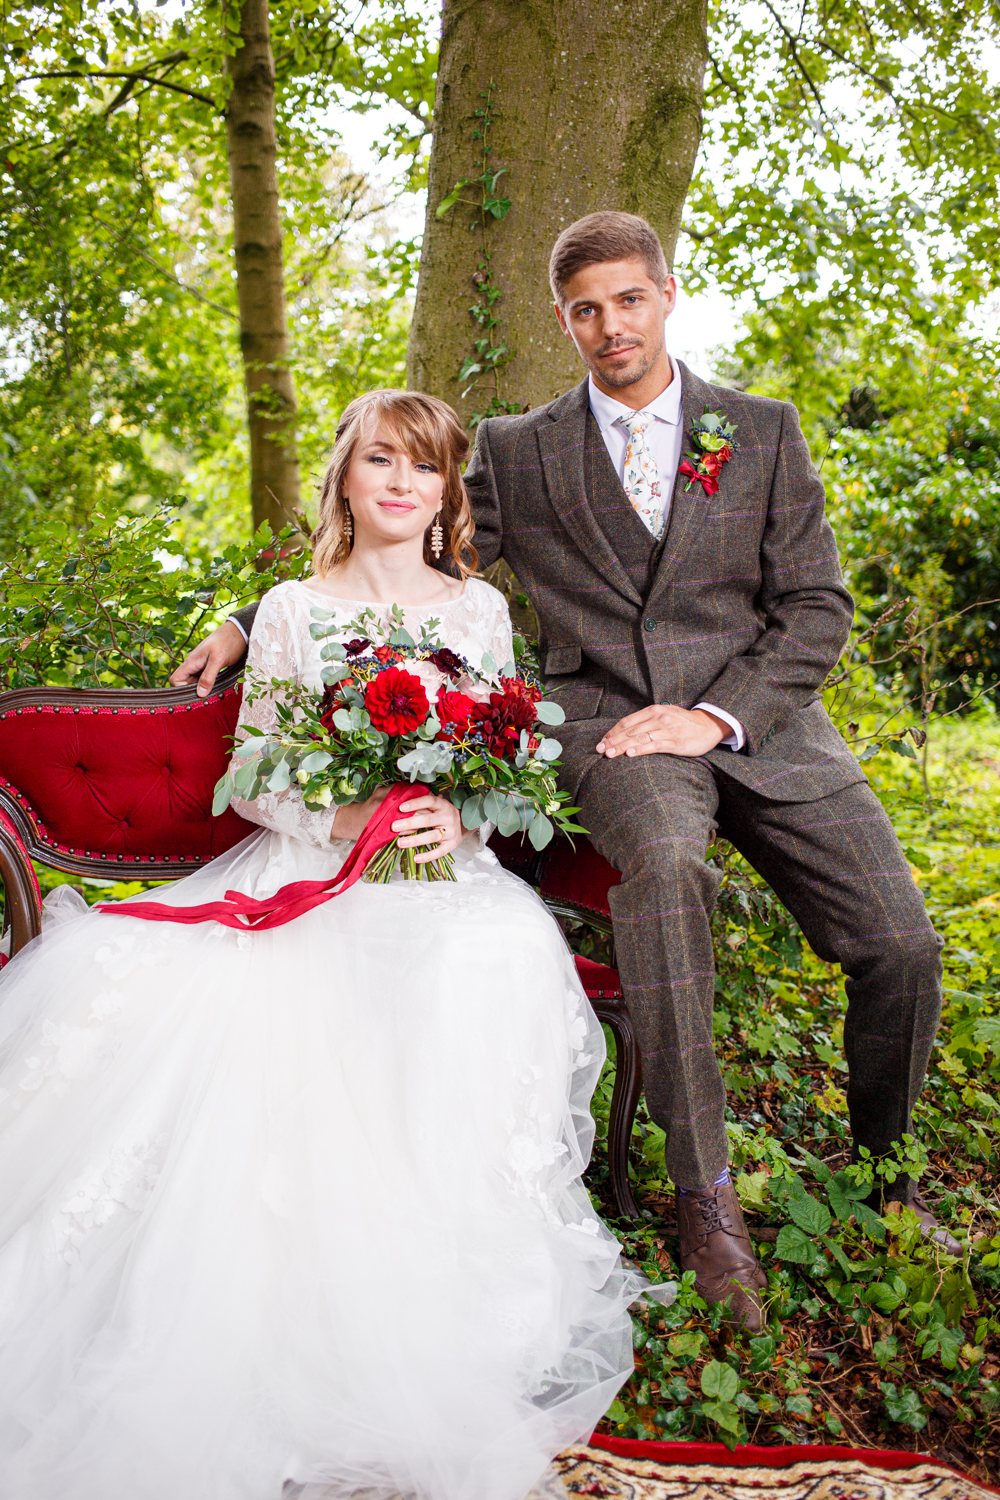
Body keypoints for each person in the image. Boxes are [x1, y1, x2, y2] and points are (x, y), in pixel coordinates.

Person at [177, 212, 958, 1334]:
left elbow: (815, 607)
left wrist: (717, 714)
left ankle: (886, 1174)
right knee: (663, 877)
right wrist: (254, 621)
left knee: (901, 944)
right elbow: (407, 551)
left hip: (765, 728)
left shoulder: (762, 430)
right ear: (564, 320)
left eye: (628, 300)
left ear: (665, 296)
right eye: (585, 309)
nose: (609, 326)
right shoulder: (518, 447)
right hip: (609, 733)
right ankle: (707, 1201)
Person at [0, 390, 655, 1500]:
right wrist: (345, 821)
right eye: (381, 462)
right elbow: (254, 776)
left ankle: (446, 1271)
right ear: (347, 478)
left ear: (450, 494)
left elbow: (506, 759)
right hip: (310, 865)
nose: (401, 484)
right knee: (260, 995)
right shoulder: (294, 608)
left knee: (484, 955)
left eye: (425, 469)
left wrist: (467, 814)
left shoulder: (479, 612)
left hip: (443, 870)